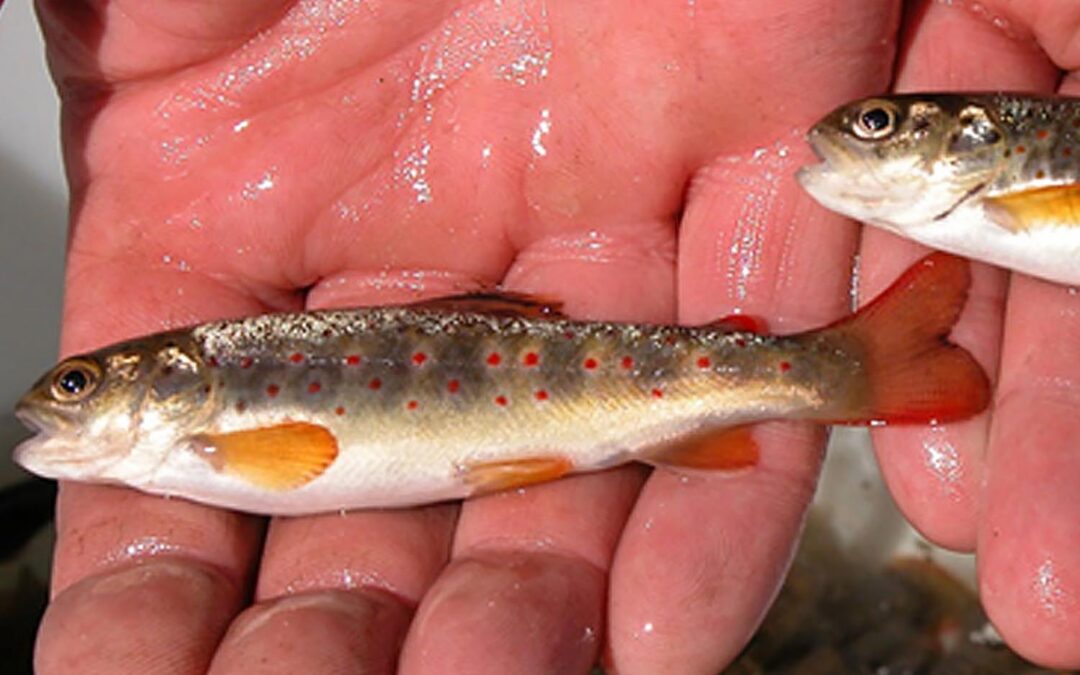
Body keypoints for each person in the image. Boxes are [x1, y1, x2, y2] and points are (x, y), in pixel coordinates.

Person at [32, 1, 1080, 672]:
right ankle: (819, 373)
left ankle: (828, 373)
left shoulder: (214, 420)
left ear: (161, 383)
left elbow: (299, 456)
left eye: (80, 386)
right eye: (78, 385)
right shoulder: (207, 411)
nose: (51, 405)